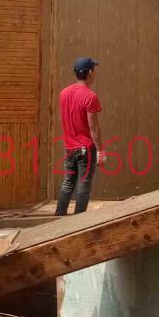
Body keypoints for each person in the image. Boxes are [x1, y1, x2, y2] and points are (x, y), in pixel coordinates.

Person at [56, 57, 102, 215]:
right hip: (86, 149)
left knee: (68, 183)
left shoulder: (64, 93)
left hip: (69, 148)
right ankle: (79, 221)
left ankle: (59, 217)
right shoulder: (90, 97)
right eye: (94, 70)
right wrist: (100, 150)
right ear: (90, 72)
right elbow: (93, 127)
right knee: (83, 185)